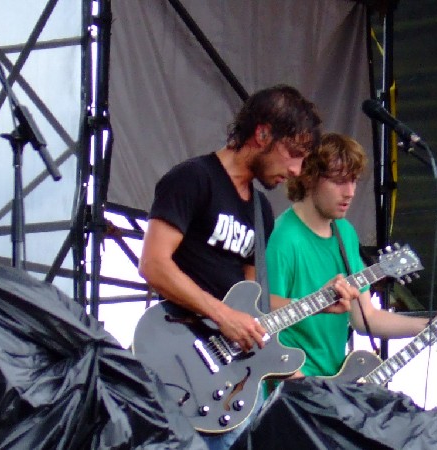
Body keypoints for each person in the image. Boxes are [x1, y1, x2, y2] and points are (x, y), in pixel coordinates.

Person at [138, 86, 359, 450]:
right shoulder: (193, 178)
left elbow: (255, 311)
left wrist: (317, 302)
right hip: (180, 357)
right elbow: (154, 264)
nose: (296, 170)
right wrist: (222, 315)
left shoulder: (261, 210)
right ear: (262, 134)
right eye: (293, 154)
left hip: (230, 383)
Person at [265, 132, 437, 379]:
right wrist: (298, 380)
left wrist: (435, 324)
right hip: (295, 389)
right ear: (310, 179)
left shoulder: (344, 232)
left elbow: (365, 317)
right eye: (339, 181)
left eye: (354, 181)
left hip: (333, 383)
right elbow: (265, 325)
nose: (350, 192)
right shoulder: (283, 239)